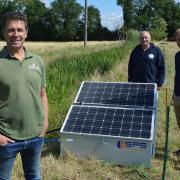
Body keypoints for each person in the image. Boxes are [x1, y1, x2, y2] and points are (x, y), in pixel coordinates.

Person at [0, 11, 48, 179]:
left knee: (34, 175)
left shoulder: (38, 60)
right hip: (7, 137)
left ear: (26, 32)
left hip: (35, 135)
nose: (16, 34)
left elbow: (42, 93)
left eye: (20, 30)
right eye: (11, 30)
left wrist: (45, 122)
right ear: (4, 32)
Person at [173, 29, 180, 156]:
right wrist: (174, 93)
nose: (179, 41)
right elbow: (176, 75)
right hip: (178, 94)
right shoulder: (177, 56)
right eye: (177, 39)